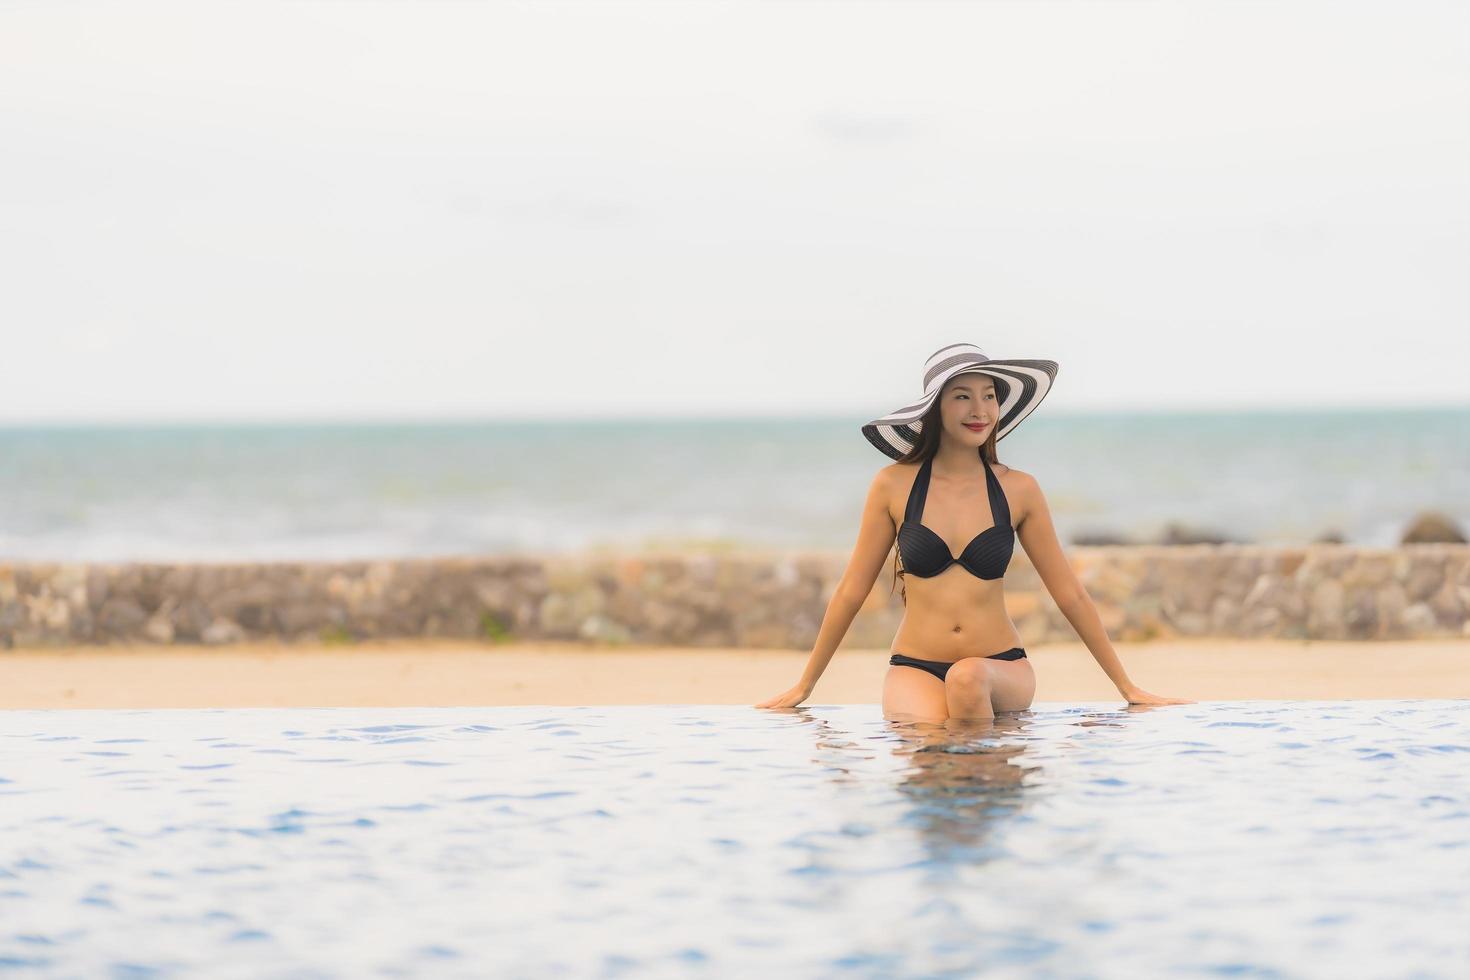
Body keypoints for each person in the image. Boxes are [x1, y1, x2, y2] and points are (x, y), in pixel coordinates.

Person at [755, 342, 1192, 722]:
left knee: (967, 680)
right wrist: (805, 685)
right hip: (914, 667)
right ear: (936, 408)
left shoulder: (1018, 489)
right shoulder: (894, 485)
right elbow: (852, 589)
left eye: (988, 396)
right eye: (962, 397)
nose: (979, 409)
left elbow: (1070, 594)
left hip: (1000, 667)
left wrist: (1127, 687)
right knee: (930, 749)